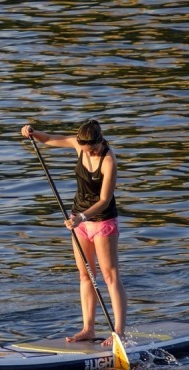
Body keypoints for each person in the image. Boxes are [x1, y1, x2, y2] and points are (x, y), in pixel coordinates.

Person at [21, 120, 125, 345]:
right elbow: (48, 139)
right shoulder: (78, 145)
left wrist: (82, 218)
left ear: (100, 140)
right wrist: (32, 132)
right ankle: (88, 328)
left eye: (94, 148)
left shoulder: (109, 160)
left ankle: (118, 331)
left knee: (110, 276)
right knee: (85, 274)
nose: (92, 152)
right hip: (78, 221)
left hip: (101, 221)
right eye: (88, 150)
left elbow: (105, 200)